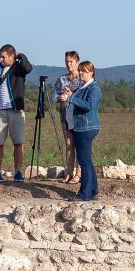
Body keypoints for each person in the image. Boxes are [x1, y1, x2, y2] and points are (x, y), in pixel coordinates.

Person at [0, 44, 32, 181]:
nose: (1, 59)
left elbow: (28, 68)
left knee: (18, 142)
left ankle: (18, 172)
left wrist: (20, 55)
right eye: (0, 56)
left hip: (15, 110)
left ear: (12, 57)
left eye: (3, 56)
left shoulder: (19, 68)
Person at [65, 60, 102, 200]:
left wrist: (71, 98)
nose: (81, 73)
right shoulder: (82, 87)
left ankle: (84, 193)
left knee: (84, 161)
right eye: (80, 70)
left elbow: (88, 105)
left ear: (91, 72)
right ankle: (93, 191)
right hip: (79, 127)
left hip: (86, 127)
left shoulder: (94, 88)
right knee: (87, 160)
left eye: (84, 71)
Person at [57, 50, 81, 183]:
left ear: (77, 61)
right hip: (65, 116)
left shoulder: (82, 78)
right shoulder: (62, 79)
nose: (68, 64)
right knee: (69, 144)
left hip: (79, 116)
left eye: (71, 61)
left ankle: (78, 173)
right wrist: (60, 97)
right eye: (66, 61)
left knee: (79, 144)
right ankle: (69, 172)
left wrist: (71, 94)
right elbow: (55, 94)